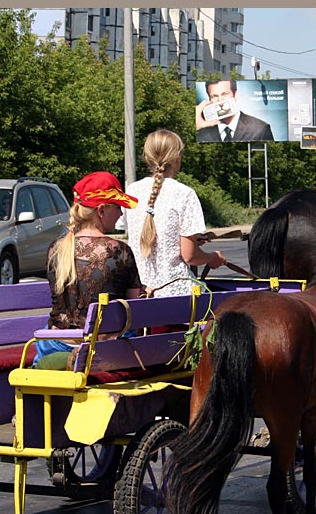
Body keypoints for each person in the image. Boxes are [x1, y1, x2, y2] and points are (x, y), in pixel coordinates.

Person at [33, 171, 142, 369]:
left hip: (56, 345)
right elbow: (132, 306)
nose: (120, 213)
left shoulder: (55, 248)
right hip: (103, 349)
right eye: (118, 207)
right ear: (101, 211)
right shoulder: (120, 251)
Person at [123, 129, 226, 298]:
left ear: (147, 158)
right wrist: (212, 257)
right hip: (176, 294)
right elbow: (190, 256)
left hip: (139, 290)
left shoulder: (132, 191)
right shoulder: (184, 194)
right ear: (177, 158)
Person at [195, 80, 274, 143]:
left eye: (225, 94)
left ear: (235, 95)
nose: (220, 102)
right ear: (209, 100)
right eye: (214, 96)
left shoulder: (260, 129)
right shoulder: (201, 131)